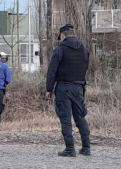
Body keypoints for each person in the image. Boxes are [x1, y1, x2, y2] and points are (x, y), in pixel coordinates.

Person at [46, 24, 91, 157]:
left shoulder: (60, 49)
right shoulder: (84, 49)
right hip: (78, 87)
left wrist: (49, 89)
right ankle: (86, 148)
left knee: (65, 118)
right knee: (80, 117)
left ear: (62, 36)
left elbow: (52, 71)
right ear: (73, 34)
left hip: (63, 87)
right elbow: (85, 67)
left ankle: (70, 149)